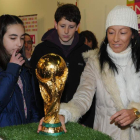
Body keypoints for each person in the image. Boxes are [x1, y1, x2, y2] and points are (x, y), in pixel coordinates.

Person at [37, 5, 140, 139]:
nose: (115, 38)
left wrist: (136, 112)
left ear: (132, 34)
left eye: (122, 32)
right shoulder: (95, 62)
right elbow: (83, 95)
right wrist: (62, 114)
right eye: (111, 32)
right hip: (107, 134)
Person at [30, 4, 91, 120]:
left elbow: (90, 91)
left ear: (78, 26)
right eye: (62, 26)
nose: (66, 31)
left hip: (78, 117)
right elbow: (33, 87)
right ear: (55, 24)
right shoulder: (41, 50)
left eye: (71, 27)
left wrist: (87, 121)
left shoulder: (86, 53)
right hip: (46, 116)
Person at [0, 15, 39, 127]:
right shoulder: (14, 65)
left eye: (21, 38)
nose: (19, 44)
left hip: (24, 132)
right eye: (13, 38)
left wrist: (34, 126)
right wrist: (12, 71)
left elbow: (31, 103)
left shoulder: (22, 62)